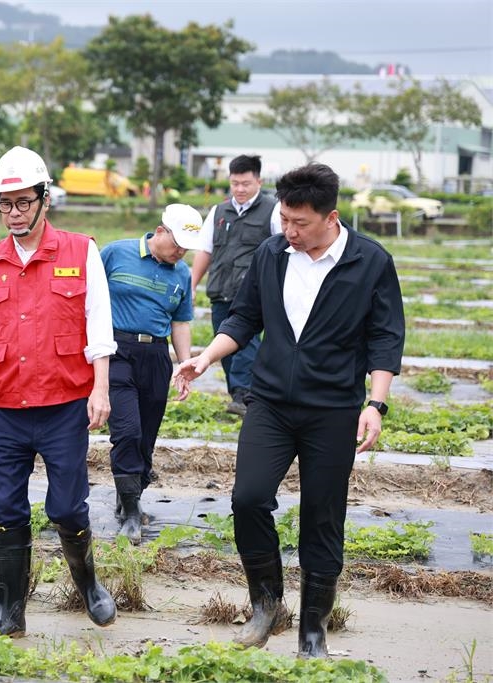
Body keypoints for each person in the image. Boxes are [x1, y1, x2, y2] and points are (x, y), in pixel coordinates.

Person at [172, 163, 405, 658]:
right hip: (272, 402)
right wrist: (206, 358)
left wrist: (376, 403)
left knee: (323, 516)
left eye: (300, 223)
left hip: (333, 409)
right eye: (284, 219)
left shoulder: (369, 262)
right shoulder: (272, 254)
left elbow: (386, 337)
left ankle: (313, 629)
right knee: (248, 499)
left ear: (330, 217)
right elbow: (245, 316)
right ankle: (267, 603)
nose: (289, 231)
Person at [0, 146, 117, 637]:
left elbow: (98, 323)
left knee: (65, 507)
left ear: (45, 200)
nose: (13, 214)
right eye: (5, 204)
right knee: (7, 508)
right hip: (7, 406)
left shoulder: (81, 251)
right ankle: (9, 604)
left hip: (64, 404)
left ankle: (88, 584)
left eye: (22, 203)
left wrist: (100, 388)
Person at [100, 204, 203, 544]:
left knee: (145, 435)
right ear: (160, 231)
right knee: (127, 430)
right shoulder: (116, 253)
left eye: (187, 246)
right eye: (177, 243)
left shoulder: (182, 273)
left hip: (156, 354)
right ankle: (131, 510)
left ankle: (129, 490)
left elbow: (181, 321)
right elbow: (88, 301)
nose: (181, 251)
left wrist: (185, 364)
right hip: (117, 350)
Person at [189, 155, 282, 416]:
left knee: (246, 341)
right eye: (235, 184)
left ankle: (245, 393)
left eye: (246, 183)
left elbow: (283, 250)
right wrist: (193, 285)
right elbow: (205, 251)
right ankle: (238, 393)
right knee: (224, 343)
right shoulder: (219, 212)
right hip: (221, 290)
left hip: (254, 294)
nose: (240, 189)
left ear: (259, 182)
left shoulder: (273, 211)